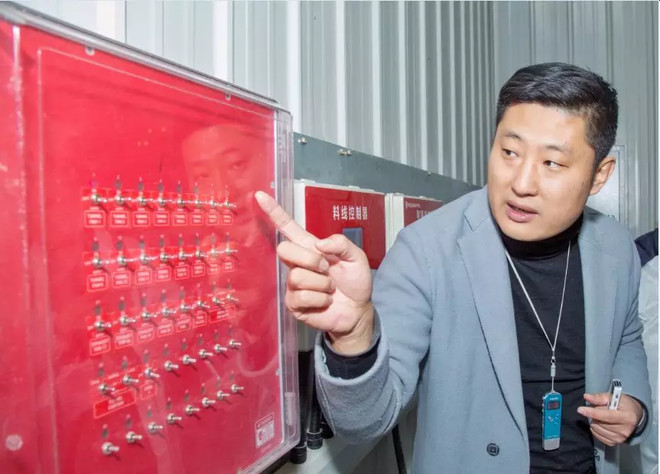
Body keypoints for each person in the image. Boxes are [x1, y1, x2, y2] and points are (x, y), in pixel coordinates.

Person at [255, 63, 652, 473]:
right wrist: (353, 336)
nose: (521, 183)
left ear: (599, 175)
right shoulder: (426, 249)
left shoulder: (616, 247)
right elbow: (365, 420)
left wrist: (635, 406)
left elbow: (626, 337)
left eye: (552, 163)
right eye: (509, 152)